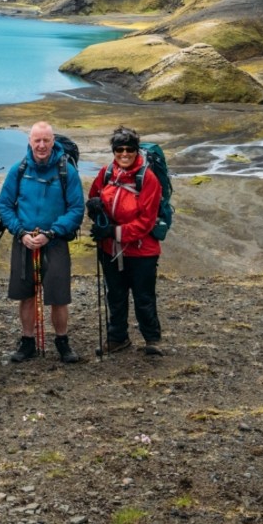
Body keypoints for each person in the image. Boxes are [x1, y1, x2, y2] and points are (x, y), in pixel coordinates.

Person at [0, 121, 85, 365]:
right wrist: (20, 232)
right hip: (24, 240)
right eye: (37, 140)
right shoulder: (19, 169)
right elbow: (4, 205)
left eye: (46, 140)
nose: (42, 145)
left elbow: (77, 208)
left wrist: (52, 232)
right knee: (26, 295)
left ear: (53, 141)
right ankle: (27, 342)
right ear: (30, 142)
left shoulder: (67, 171)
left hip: (54, 241)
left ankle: (62, 341)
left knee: (58, 296)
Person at [86, 126, 164, 355]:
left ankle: (152, 340)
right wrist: (94, 209)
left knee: (144, 296)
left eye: (129, 149)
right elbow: (94, 196)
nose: (124, 153)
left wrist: (113, 232)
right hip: (110, 249)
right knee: (115, 295)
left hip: (142, 251)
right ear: (113, 151)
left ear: (136, 150)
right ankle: (118, 337)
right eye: (119, 149)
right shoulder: (107, 172)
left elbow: (146, 221)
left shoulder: (148, 178)